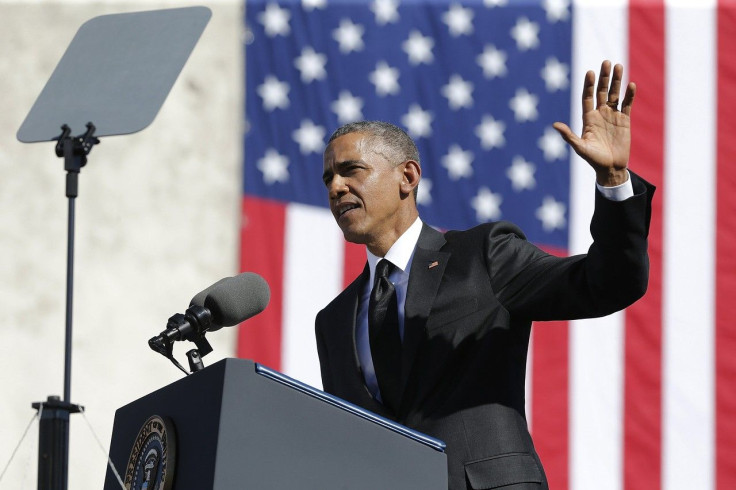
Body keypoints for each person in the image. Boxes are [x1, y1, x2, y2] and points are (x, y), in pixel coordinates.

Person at [315, 61, 654, 489]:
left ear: (408, 176)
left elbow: (607, 283)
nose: (335, 188)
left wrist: (613, 180)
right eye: (328, 177)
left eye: (351, 170)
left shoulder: (483, 254)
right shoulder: (334, 319)